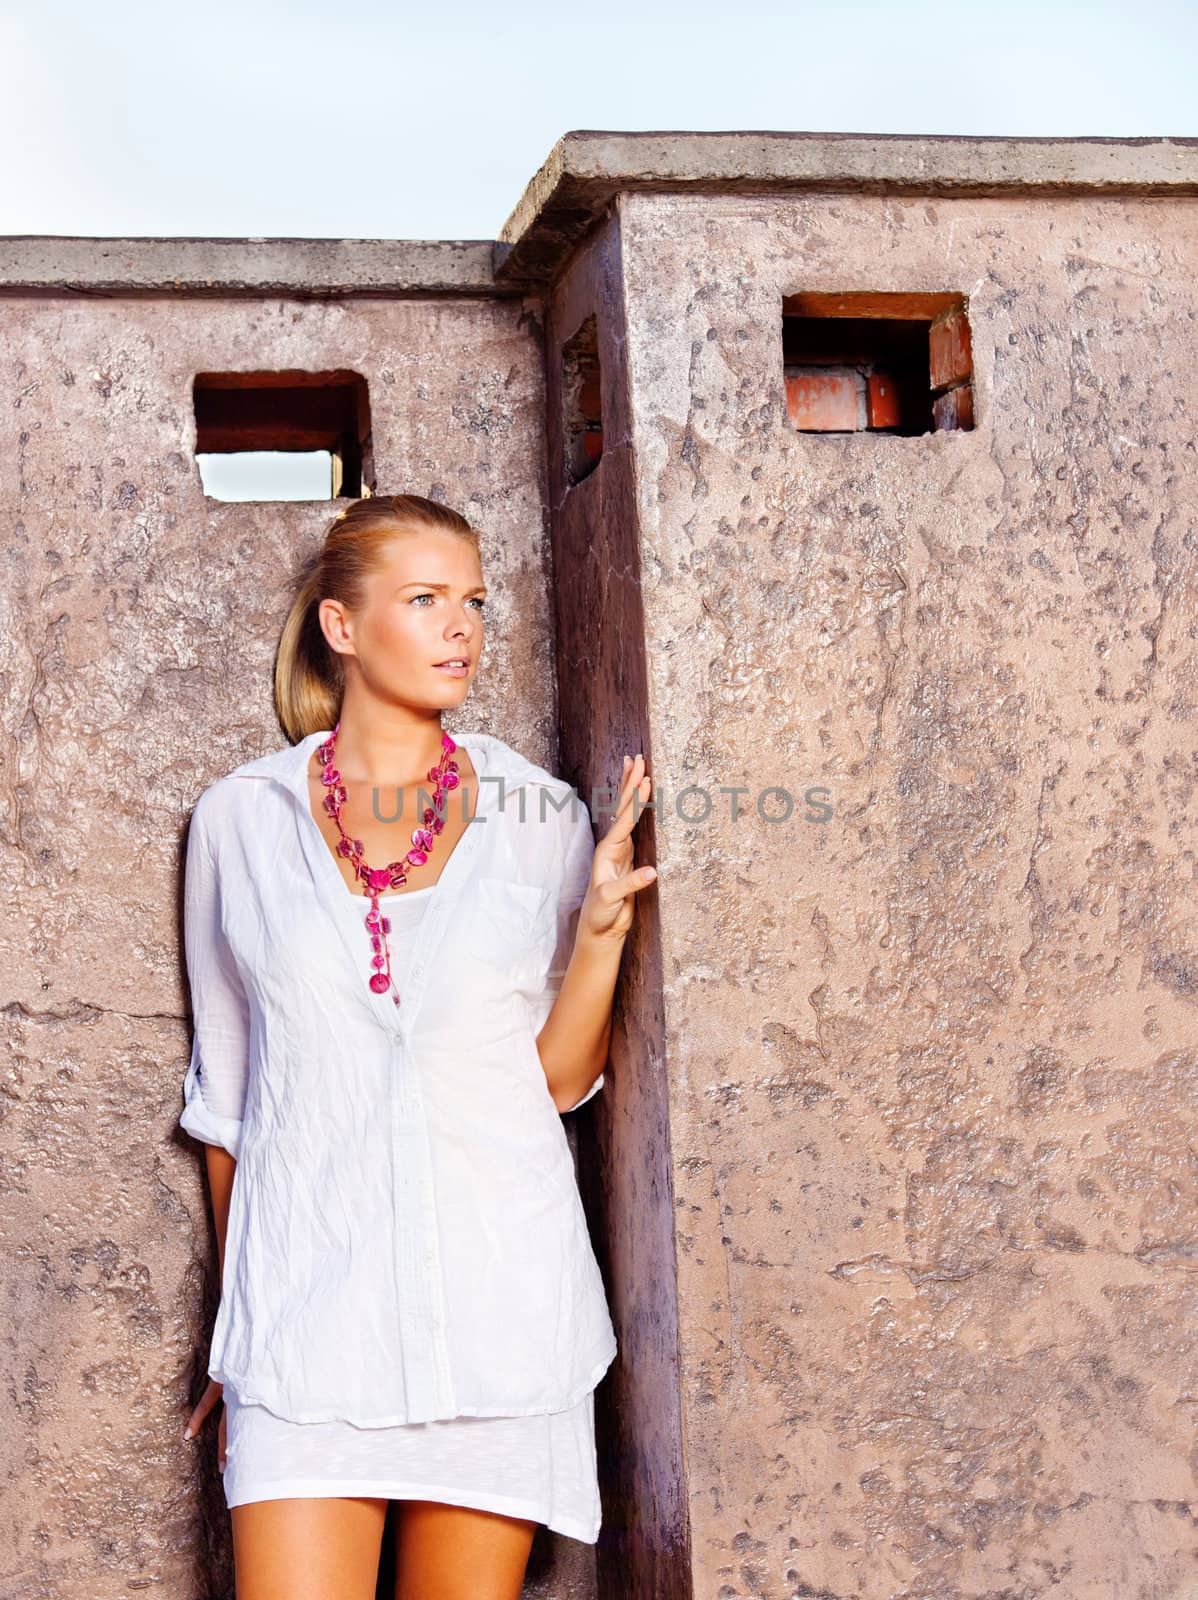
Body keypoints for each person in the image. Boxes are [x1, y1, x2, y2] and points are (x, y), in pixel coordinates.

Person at [178, 492, 655, 1600]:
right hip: (308, 1330)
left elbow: (558, 1081)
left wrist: (598, 936)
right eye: (426, 599)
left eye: (474, 601)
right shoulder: (240, 820)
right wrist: (233, 1333)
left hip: (500, 1321)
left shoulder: (540, 817)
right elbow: (230, 1098)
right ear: (342, 627)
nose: (462, 628)